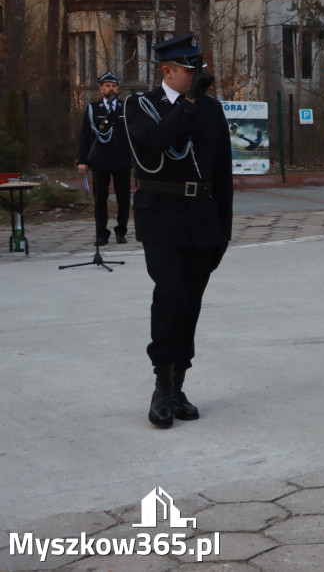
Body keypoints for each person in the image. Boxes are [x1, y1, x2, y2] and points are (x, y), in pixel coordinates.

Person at [122, 34, 233, 428]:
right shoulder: (140, 105)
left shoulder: (211, 109)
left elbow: (222, 172)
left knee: (191, 302)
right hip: (161, 216)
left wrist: (224, 230)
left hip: (201, 217)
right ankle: (161, 385)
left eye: (200, 68)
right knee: (171, 296)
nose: (198, 76)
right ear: (167, 70)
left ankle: (179, 385)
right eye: (191, 70)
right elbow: (155, 142)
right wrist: (187, 105)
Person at [77, 71, 133, 245]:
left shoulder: (126, 107)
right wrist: (83, 160)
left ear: (118, 88)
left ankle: (121, 231)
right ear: (101, 88)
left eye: (114, 86)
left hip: (122, 159)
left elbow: (134, 135)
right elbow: (85, 136)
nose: (111, 89)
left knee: (123, 198)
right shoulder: (93, 109)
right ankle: (101, 233)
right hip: (100, 160)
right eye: (107, 85)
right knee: (100, 198)